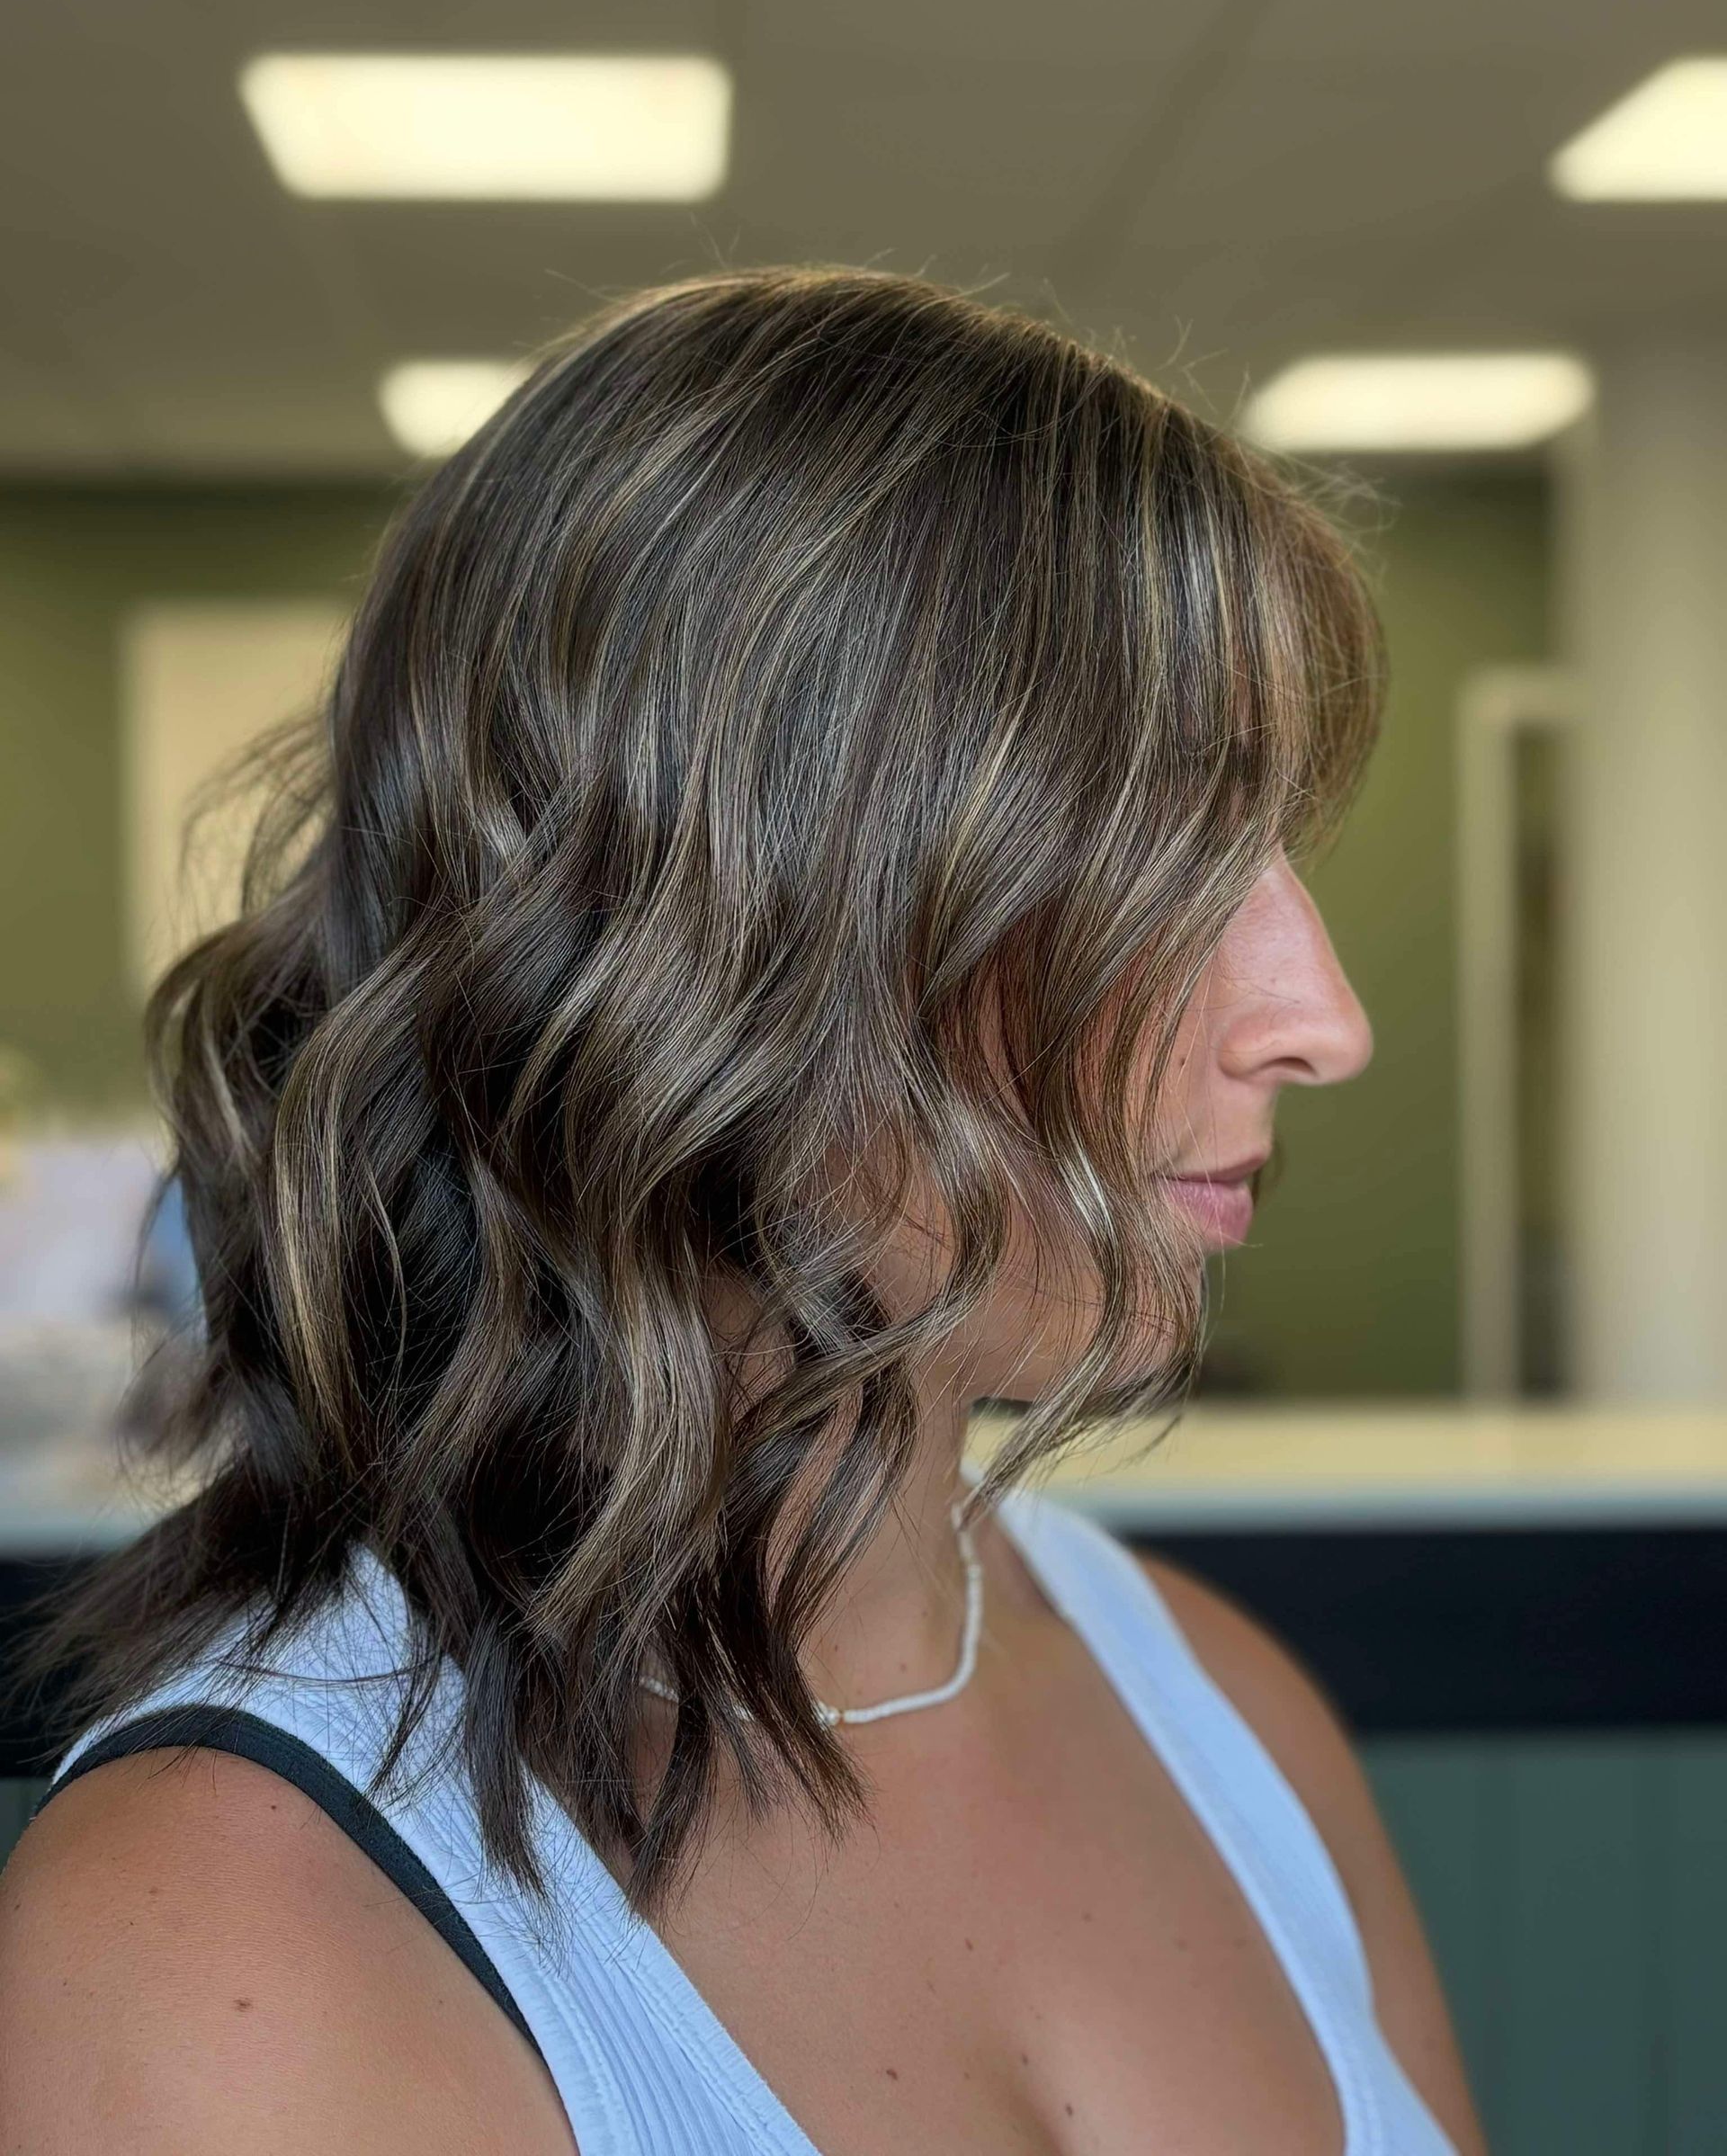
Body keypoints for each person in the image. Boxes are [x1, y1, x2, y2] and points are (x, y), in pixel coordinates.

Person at [0, 267, 1486, 2155]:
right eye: (1156, 858)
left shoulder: (1228, 1707)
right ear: (707, 943)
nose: (1325, 1018)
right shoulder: (228, 1940)